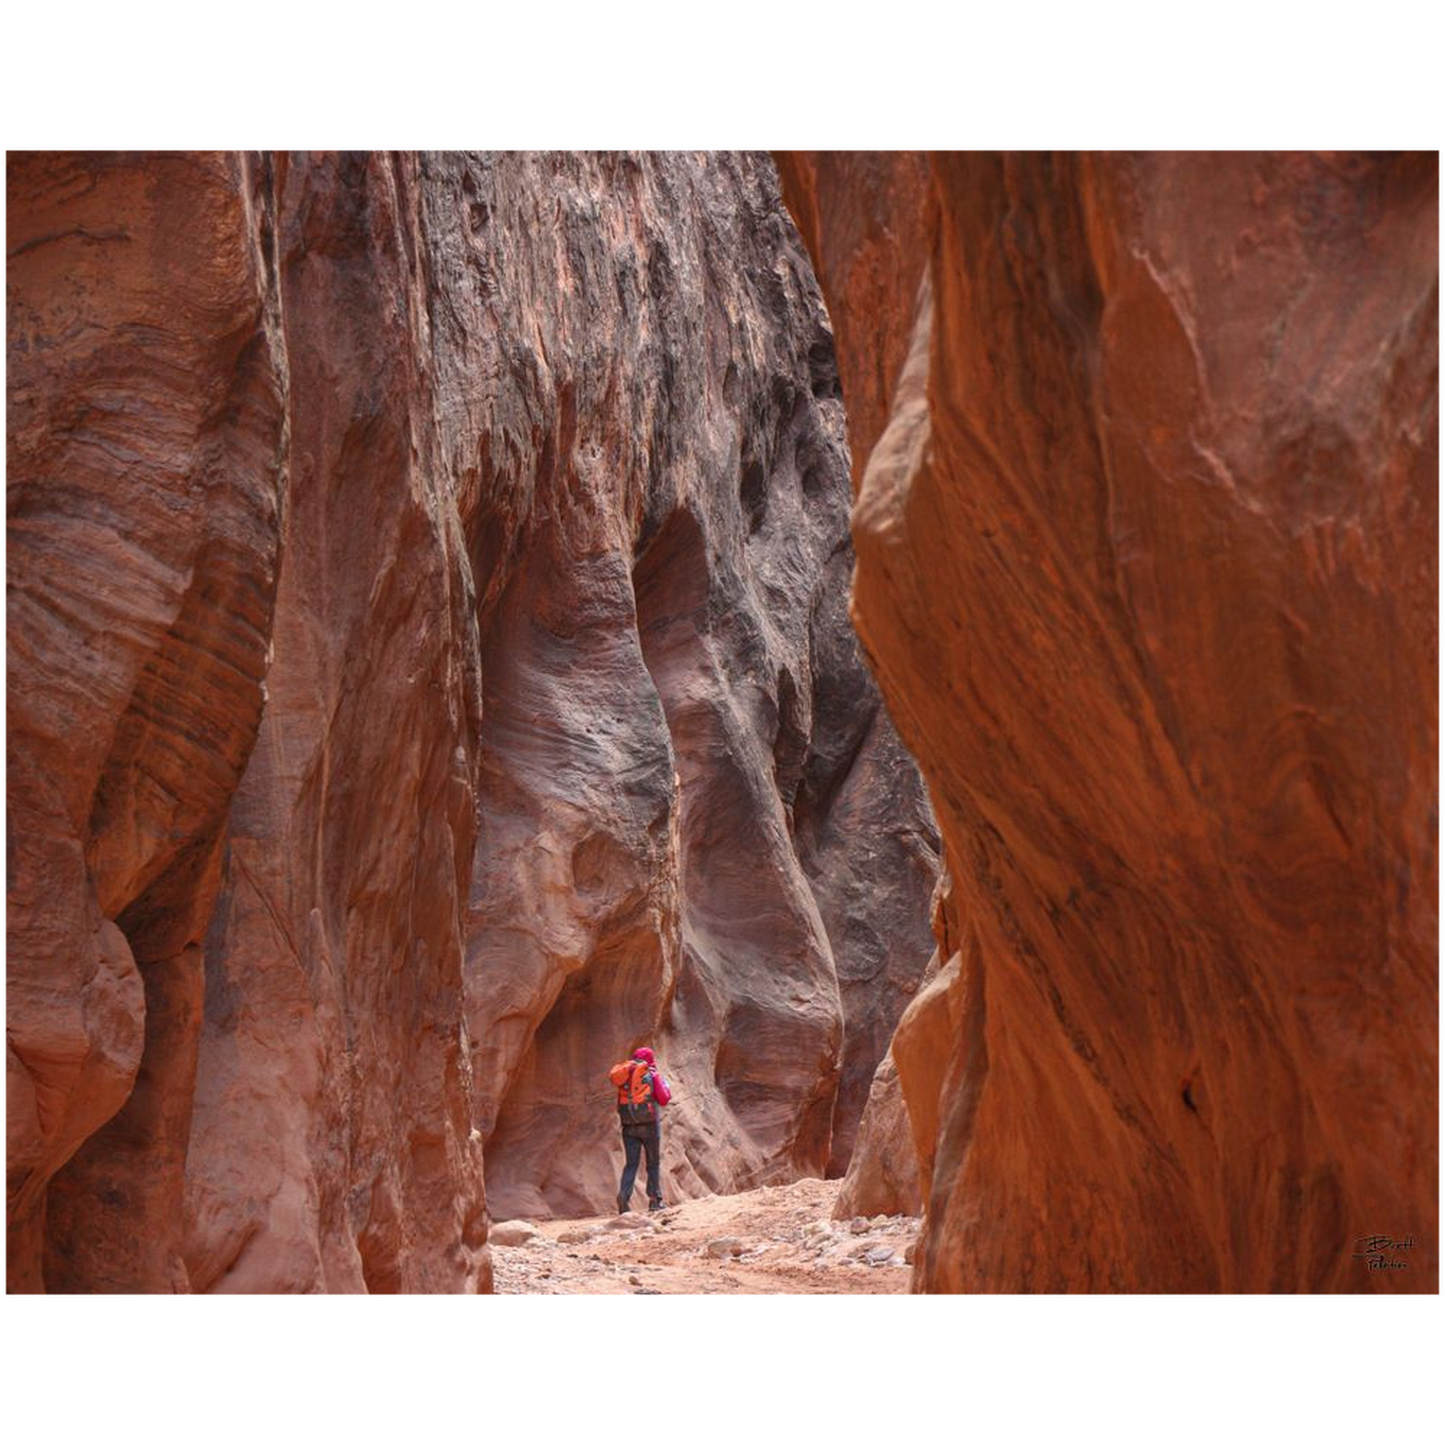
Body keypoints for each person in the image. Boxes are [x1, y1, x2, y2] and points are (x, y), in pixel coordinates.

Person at [608, 1045, 671, 1213]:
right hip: (649, 1125)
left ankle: (623, 1196)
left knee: (631, 1164)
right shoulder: (651, 1074)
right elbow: (664, 1099)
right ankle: (654, 1201)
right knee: (653, 1163)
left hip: (629, 1125)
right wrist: (664, 1083)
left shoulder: (625, 1076)